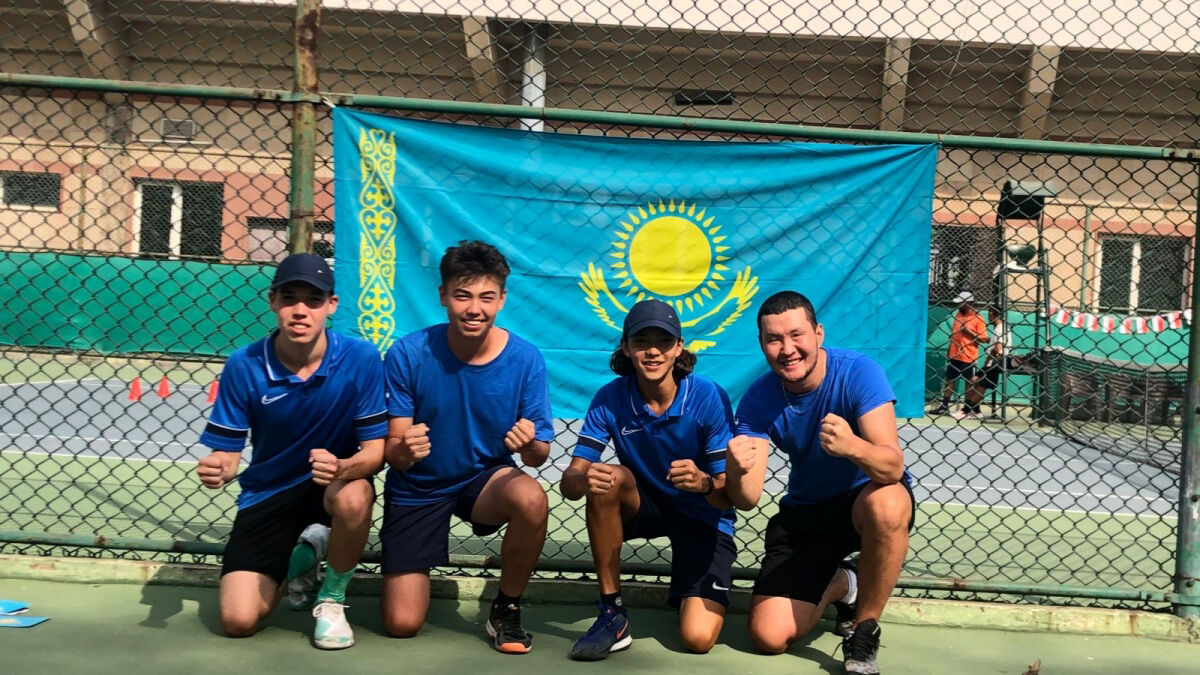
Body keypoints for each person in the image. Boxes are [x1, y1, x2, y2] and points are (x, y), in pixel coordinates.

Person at [196, 252, 387, 650]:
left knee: (356, 494)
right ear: (272, 301)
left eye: (313, 300)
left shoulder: (362, 359)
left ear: (331, 305)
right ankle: (304, 557)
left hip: (334, 485)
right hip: (268, 493)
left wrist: (343, 467)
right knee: (239, 621)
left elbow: (375, 453)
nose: (301, 311)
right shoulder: (244, 364)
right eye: (289, 298)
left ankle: (331, 600)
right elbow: (226, 455)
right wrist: (219, 467)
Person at [726, 290, 915, 675]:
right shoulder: (758, 399)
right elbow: (747, 498)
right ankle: (845, 582)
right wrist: (735, 470)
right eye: (774, 339)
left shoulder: (859, 372)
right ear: (762, 344)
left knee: (889, 502)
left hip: (864, 499)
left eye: (796, 335)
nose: (787, 349)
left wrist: (852, 447)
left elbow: (892, 467)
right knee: (767, 636)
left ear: (818, 334)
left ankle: (864, 629)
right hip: (807, 513)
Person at [380, 240, 553, 654]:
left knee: (531, 498)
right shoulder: (407, 353)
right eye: (463, 295)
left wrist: (529, 444)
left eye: (486, 297)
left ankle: (506, 609)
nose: (474, 308)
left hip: (483, 480)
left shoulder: (526, 359)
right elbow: (394, 453)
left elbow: (539, 455)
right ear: (443, 295)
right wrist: (406, 450)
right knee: (402, 624)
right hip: (418, 487)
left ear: (502, 299)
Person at [561, 299, 741, 660]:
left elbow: (728, 495)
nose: (653, 351)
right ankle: (612, 613)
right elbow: (570, 481)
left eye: (664, 341)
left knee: (698, 638)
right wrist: (584, 480)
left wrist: (704, 483)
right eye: (642, 341)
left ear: (679, 347)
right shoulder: (610, 397)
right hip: (645, 506)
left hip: (703, 514)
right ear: (626, 348)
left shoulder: (707, 396)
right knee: (608, 479)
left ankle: (689, 591)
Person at [929, 291, 988, 416]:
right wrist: (950, 351)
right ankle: (944, 406)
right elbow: (954, 335)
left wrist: (969, 333)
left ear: (968, 303)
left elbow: (983, 339)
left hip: (968, 357)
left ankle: (967, 409)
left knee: (969, 382)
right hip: (954, 355)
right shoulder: (958, 314)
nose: (958, 305)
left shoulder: (978, 318)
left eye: (960, 303)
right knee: (949, 380)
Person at [956, 308, 1012, 420]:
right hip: (993, 362)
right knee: (974, 381)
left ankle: (965, 411)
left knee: (981, 386)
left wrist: (988, 361)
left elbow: (997, 349)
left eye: (990, 316)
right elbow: (994, 343)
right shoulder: (1000, 328)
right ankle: (976, 411)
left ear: (996, 316)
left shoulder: (1000, 329)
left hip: (994, 363)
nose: (989, 318)